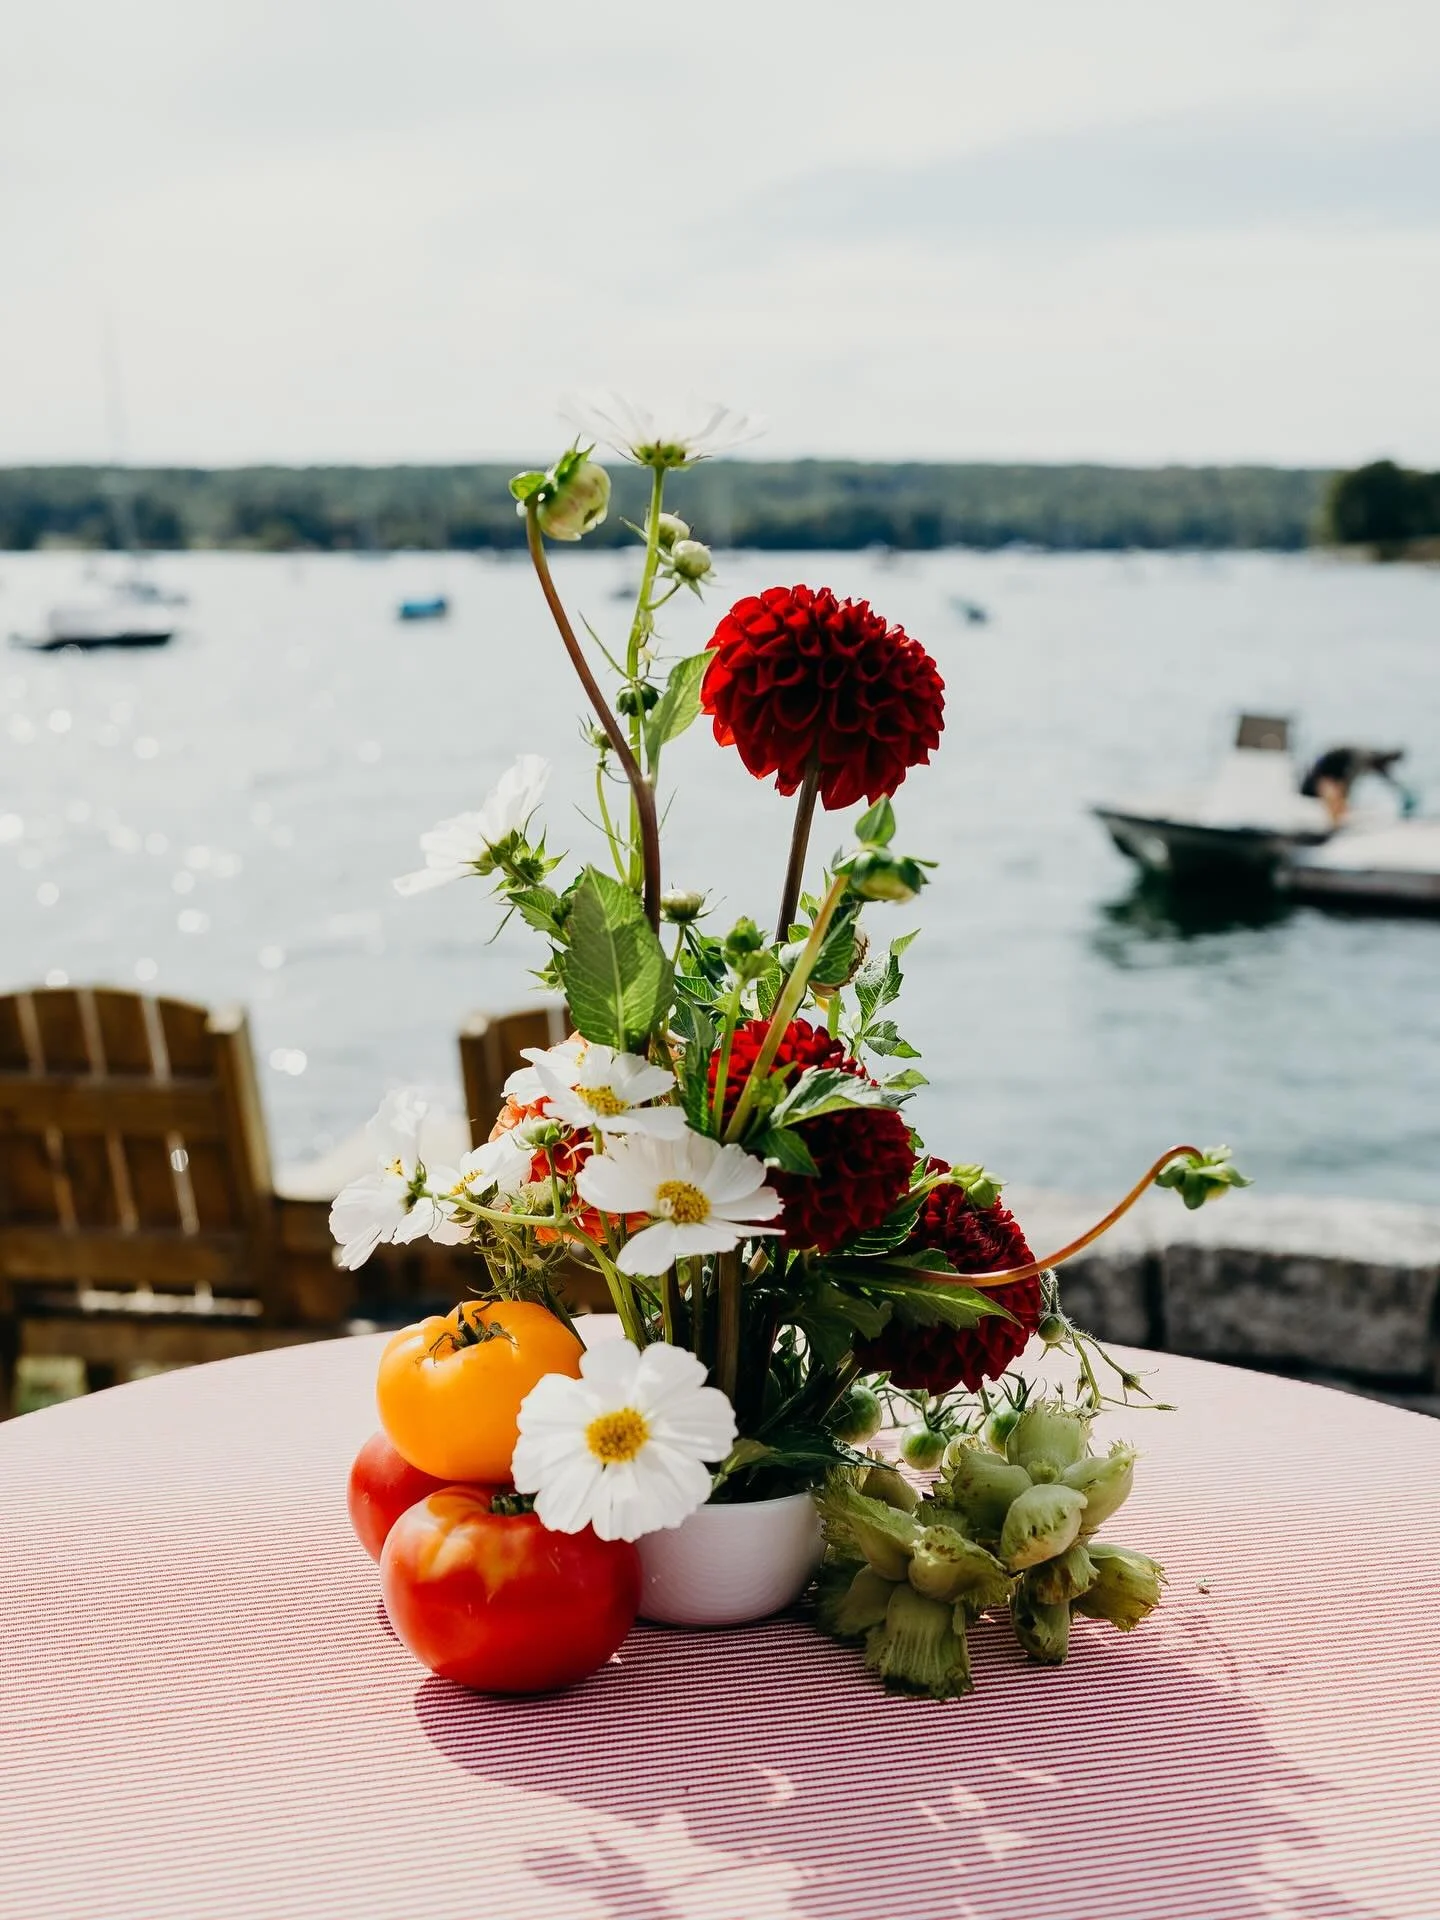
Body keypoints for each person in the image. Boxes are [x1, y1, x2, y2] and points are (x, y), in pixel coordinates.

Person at [1299, 746, 1407, 824]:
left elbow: (1386, 777)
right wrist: (1346, 796)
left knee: (1338, 800)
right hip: (1325, 773)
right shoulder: (1362, 757)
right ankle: (1334, 825)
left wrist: (1398, 788)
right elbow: (1348, 778)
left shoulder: (1372, 758)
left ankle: (1336, 823)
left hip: (1332, 774)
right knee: (1336, 800)